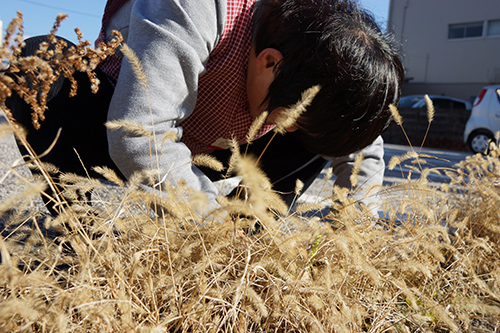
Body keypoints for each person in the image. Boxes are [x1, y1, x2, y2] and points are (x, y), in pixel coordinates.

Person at [7, 0, 404, 216]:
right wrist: (211, 222)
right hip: (110, 127)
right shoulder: (200, 6)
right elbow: (136, 134)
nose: (294, 130)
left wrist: (356, 220)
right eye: (295, 116)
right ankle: (74, 223)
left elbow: (358, 139)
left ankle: (251, 230)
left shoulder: (326, 49)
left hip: (221, 151)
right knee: (35, 67)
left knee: (313, 134)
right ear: (269, 62)